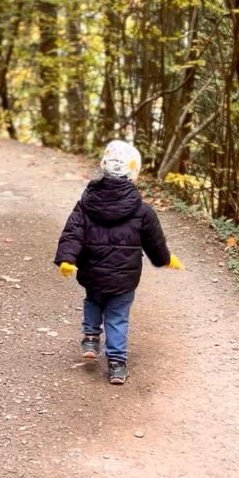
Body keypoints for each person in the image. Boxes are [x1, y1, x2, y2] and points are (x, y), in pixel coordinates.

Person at [54, 140, 184, 384]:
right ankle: (116, 364)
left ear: (103, 165)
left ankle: (91, 338)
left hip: (92, 271)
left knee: (93, 299)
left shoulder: (86, 203)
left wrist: (67, 259)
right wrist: (165, 259)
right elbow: (154, 241)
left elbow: (72, 232)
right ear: (133, 172)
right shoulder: (142, 210)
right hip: (125, 278)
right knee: (117, 315)